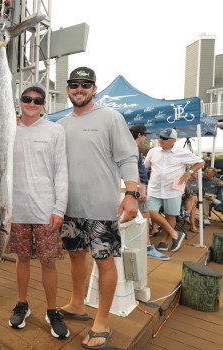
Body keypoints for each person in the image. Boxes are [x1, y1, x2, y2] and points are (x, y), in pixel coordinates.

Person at [57, 67, 139, 350]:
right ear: (67, 89)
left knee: (105, 262)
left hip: (102, 209)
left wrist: (131, 194)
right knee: (76, 256)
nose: (79, 89)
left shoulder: (110, 117)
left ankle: (102, 321)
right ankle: (77, 303)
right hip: (70, 207)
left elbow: (129, 157)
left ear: (94, 88)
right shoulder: (62, 124)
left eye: (85, 84)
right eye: (74, 84)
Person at [5, 85, 69, 338]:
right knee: (21, 258)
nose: (31, 103)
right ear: (19, 101)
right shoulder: (8, 129)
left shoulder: (55, 130)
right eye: (26, 99)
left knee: (48, 261)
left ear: (44, 104)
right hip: (16, 210)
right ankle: (23, 304)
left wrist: (59, 209)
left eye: (37, 100)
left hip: (46, 211)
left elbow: (61, 171)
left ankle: (52, 310)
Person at [144, 128, 204, 251]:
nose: (161, 140)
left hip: (173, 190)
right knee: (149, 212)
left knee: (170, 216)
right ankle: (174, 232)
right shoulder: (153, 151)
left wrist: (190, 172)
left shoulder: (182, 152)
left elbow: (201, 162)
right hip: (154, 189)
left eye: (164, 138)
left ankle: (164, 241)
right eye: (160, 137)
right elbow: (145, 168)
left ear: (173, 140)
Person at [129, 124, 170, 261]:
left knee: (141, 216)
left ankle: (143, 245)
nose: (146, 137)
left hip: (136, 185)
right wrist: (140, 188)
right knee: (145, 216)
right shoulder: (132, 148)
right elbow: (133, 170)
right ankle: (146, 247)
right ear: (140, 135)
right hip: (138, 186)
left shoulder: (131, 147)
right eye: (145, 135)